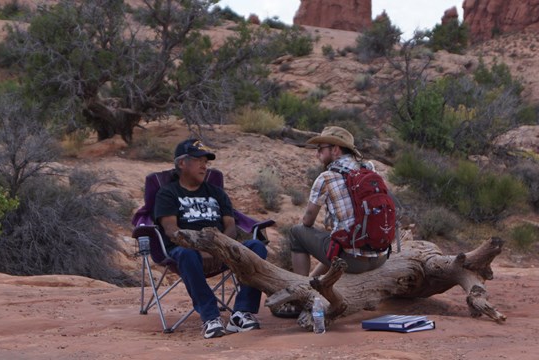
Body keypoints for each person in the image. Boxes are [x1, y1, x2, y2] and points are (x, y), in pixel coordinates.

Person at [154, 139, 267, 339]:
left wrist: (220, 247)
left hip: (222, 249)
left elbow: (231, 225)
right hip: (187, 253)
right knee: (187, 254)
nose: (204, 166)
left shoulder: (216, 193)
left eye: (206, 161)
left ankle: (241, 313)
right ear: (182, 163)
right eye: (199, 160)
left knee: (256, 246)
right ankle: (210, 317)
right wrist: (201, 249)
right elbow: (172, 230)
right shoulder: (167, 193)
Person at [291, 126, 389, 276]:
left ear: (335, 150)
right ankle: (311, 281)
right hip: (381, 256)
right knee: (335, 236)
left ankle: (301, 290)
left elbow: (307, 221)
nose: (317, 154)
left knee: (297, 232)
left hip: (352, 262)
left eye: (320, 149)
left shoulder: (326, 177)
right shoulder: (369, 169)